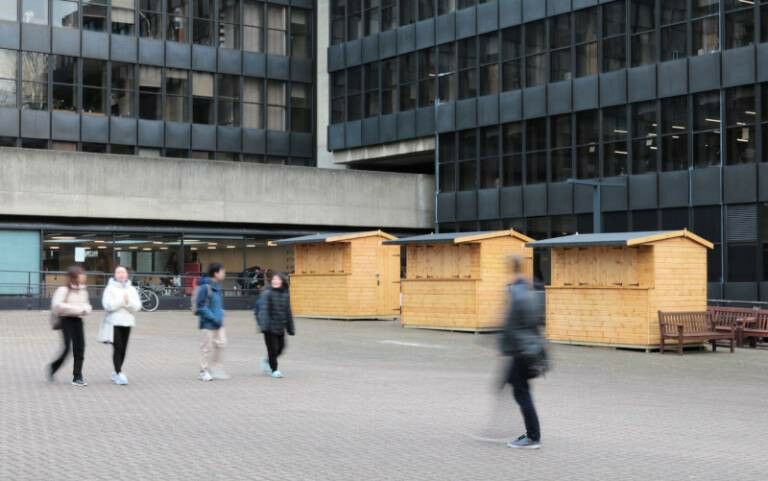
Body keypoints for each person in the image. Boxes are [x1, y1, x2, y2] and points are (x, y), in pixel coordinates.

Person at [500, 255, 546, 450]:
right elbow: (538, 323)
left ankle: (533, 436)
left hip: (521, 351)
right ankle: (531, 433)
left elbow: (510, 327)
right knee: (516, 386)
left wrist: (504, 347)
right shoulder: (531, 291)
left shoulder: (516, 294)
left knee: (522, 392)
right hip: (530, 349)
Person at [49, 266, 92, 387]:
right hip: (65, 320)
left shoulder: (83, 290)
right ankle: (53, 367)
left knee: (80, 348)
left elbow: (87, 305)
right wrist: (78, 309)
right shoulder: (63, 290)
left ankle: (77, 376)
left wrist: (86, 310)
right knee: (67, 348)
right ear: (75, 276)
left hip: (78, 320)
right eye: (81, 274)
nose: (84, 276)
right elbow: (56, 306)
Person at [101, 266, 142, 385]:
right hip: (114, 322)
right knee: (117, 347)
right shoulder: (110, 288)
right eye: (118, 272)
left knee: (123, 349)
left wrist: (127, 302)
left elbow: (137, 306)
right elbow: (107, 305)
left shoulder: (131, 289)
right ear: (114, 274)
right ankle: (119, 372)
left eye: (123, 272)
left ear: (127, 274)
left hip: (128, 322)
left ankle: (116, 372)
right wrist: (121, 301)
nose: (121, 274)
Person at [256, 272, 295, 378]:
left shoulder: (285, 294)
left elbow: (288, 311)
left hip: (280, 326)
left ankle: (267, 361)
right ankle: (274, 370)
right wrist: (264, 326)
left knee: (281, 348)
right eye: (274, 279)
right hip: (269, 327)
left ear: (282, 281)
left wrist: (290, 328)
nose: (275, 281)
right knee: (272, 349)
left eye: (278, 279)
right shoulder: (267, 293)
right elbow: (263, 311)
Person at [196, 263, 228, 381]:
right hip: (208, 323)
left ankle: (215, 368)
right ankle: (203, 371)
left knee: (222, 343)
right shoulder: (205, 287)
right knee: (206, 347)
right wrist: (213, 317)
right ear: (216, 273)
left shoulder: (218, 286)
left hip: (218, 322)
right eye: (222, 271)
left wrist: (221, 313)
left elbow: (216, 304)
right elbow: (200, 306)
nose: (224, 274)